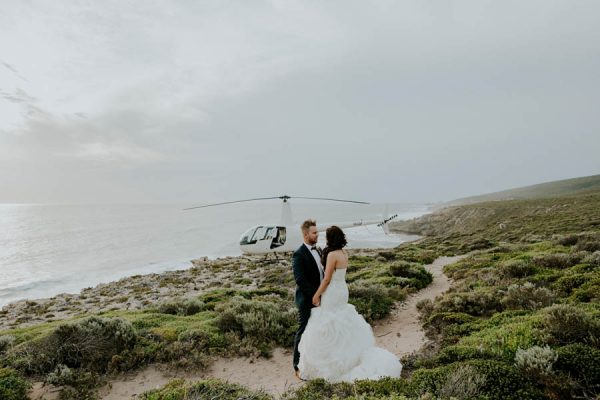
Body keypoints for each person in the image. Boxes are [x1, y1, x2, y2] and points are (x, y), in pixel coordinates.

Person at [297, 225, 402, 382]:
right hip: (342, 290)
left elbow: (326, 279)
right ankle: (348, 358)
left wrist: (316, 295)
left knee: (329, 322)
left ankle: (333, 364)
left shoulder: (332, 254)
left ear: (331, 238)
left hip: (332, 291)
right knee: (341, 319)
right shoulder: (344, 253)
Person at [291, 219, 324, 378]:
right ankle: (297, 366)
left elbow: (321, 274)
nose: (317, 234)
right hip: (307, 300)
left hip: (320, 298)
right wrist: (314, 296)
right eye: (314, 232)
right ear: (306, 235)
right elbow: (300, 280)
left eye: (317, 232)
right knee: (303, 330)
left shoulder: (317, 250)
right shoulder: (298, 254)